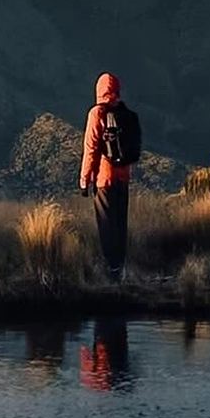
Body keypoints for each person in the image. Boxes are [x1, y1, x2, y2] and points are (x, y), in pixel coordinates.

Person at [79, 72, 134, 281]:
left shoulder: (97, 113)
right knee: (120, 226)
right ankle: (121, 271)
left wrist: (85, 180)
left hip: (104, 179)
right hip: (123, 178)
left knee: (107, 227)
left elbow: (91, 148)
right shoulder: (124, 113)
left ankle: (111, 273)